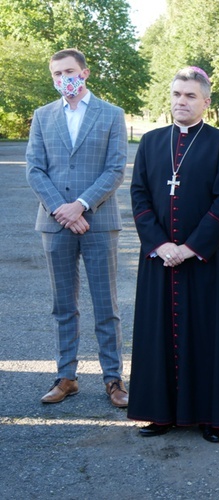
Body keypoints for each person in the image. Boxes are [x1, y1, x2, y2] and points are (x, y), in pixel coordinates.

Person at [127, 67, 219, 444]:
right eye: (176, 94)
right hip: (158, 258)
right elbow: (139, 196)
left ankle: (212, 416)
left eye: (190, 96)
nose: (181, 101)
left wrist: (190, 248)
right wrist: (161, 245)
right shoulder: (151, 141)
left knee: (207, 334)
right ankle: (160, 413)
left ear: (206, 101)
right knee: (157, 334)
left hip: (204, 259)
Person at [26, 48, 129, 408]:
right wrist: (62, 210)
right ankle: (66, 376)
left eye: (68, 71)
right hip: (55, 225)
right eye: (56, 74)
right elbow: (35, 169)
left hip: (98, 223)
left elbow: (116, 169)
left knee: (106, 305)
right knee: (63, 305)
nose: (62, 79)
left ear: (84, 73)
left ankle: (113, 379)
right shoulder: (42, 116)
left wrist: (81, 205)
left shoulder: (112, 115)